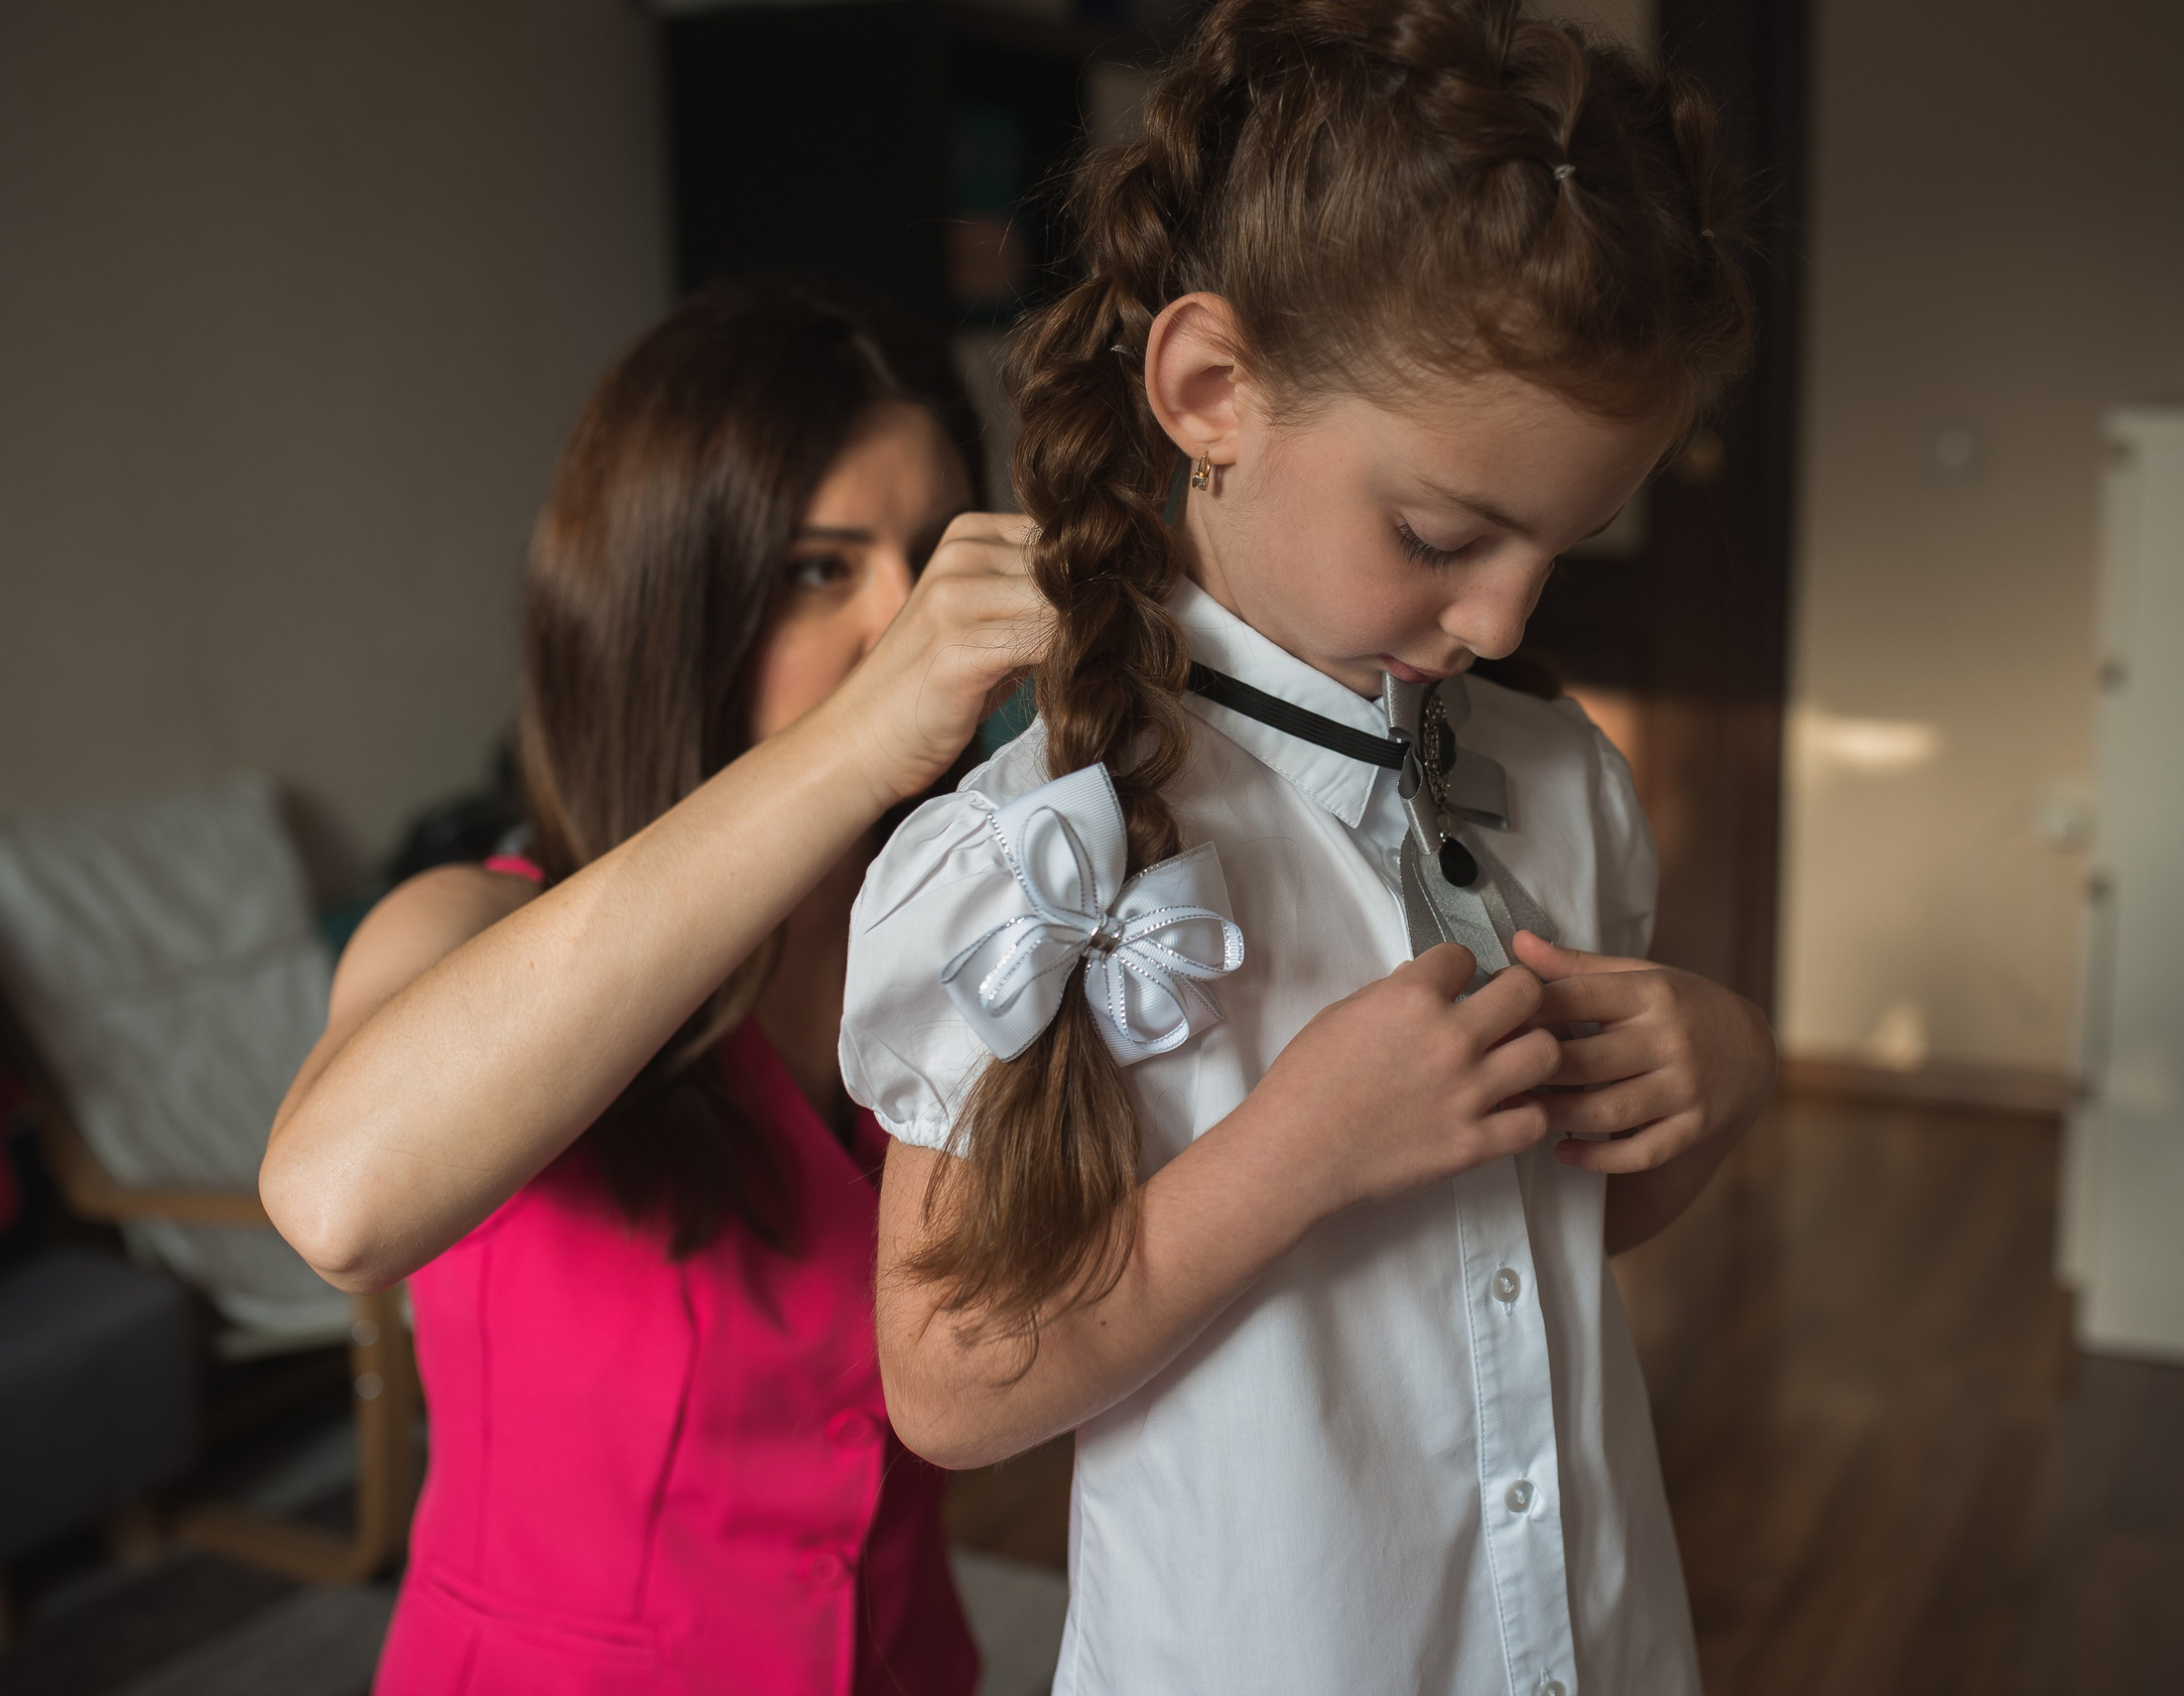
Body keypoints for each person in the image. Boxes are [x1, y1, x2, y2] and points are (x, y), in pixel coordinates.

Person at [841, 4, 1775, 1693]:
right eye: (1437, 533)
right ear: (1212, 392)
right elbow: (948, 1383)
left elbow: (1546, 1243)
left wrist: (1712, 1080)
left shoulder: (1569, 785)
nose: (1502, 621)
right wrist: (1298, 1152)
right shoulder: (1039, 852)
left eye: (1557, 550)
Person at [259, 279, 1048, 1695]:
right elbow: (339, 1203)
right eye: (821, 570)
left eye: (932, 558)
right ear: (664, 607)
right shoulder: (469, 921)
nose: (907, 620)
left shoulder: (970, 941)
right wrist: (865, 732)